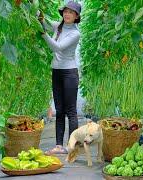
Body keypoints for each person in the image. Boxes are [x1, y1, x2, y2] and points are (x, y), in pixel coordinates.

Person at [39, 1, 81, 155]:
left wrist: (43, 35)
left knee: (71, 111)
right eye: (65, 11)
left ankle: (73, 147)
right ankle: (58, 145)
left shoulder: (75, 34)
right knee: (59, 110)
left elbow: (57, 47)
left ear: (76, 16)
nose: (67, 14)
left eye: (71, 12)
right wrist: (36, 10)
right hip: (56, 72)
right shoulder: (59, 26)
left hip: (69, 73)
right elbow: (44, 21)